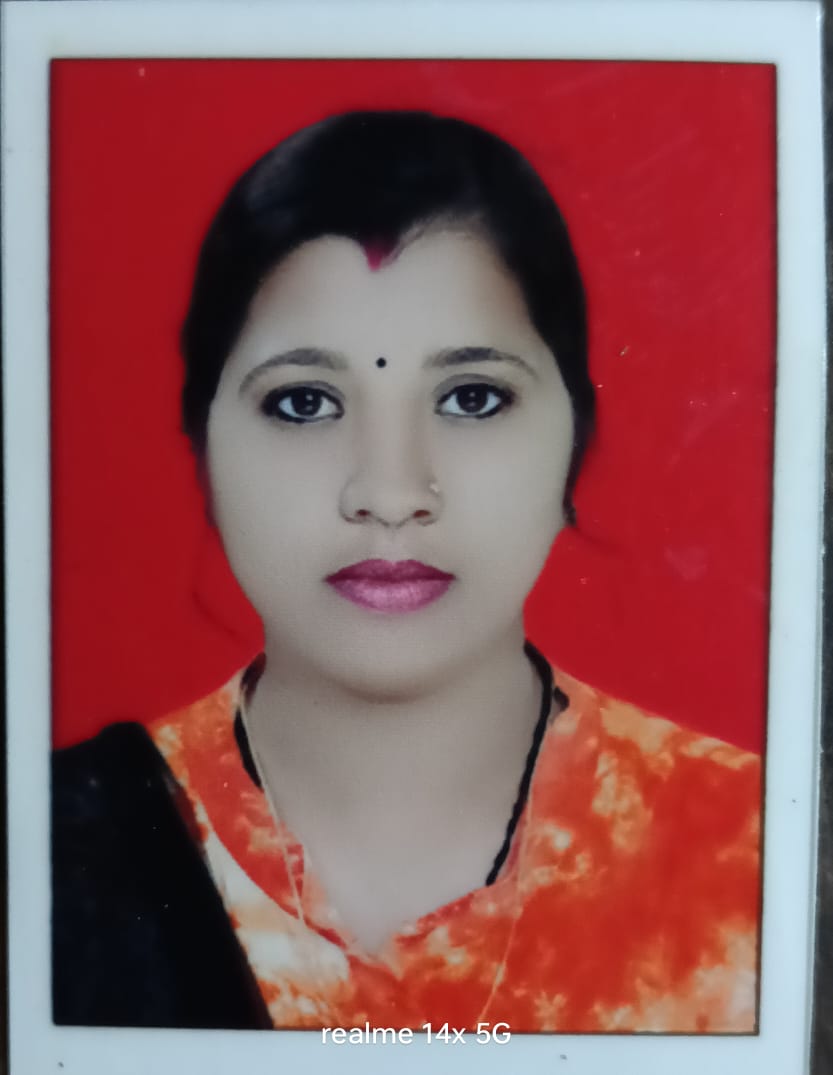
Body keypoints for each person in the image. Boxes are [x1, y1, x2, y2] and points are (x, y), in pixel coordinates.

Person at [52, 110, 761, 1033]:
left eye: (471, 397)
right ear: (203, 444)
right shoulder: (54, 850)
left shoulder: (751, 852)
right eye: (303, 403)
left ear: (575, 437)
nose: (389, 493)